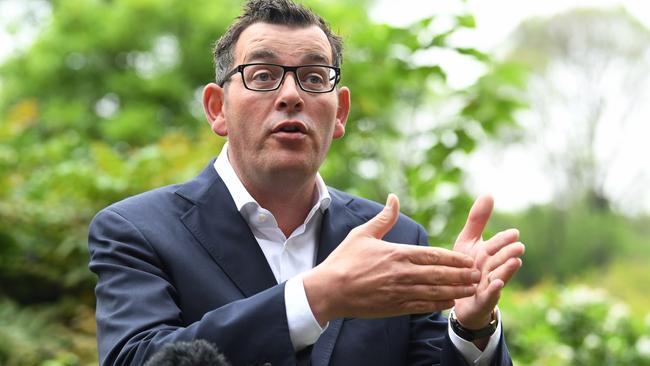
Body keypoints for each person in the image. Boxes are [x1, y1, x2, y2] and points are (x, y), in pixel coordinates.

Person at [88, 0, 525, 365]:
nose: (292, 95)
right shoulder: (137, 231)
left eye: (314, 78)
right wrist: (317, 296)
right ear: (217, 108)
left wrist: (471, 329)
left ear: (341, 113)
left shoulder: (396, 238)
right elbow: (137, 357)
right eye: (262, 75)